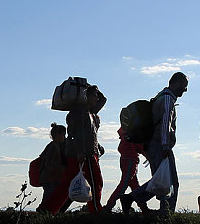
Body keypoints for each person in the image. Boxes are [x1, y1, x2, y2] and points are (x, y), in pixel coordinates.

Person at [121, 72, 189, 215]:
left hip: (154, 144)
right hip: (160, 145)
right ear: (177, 83)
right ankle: (166, 213)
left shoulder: (160, 97)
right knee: (169, 181)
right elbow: (165, 124)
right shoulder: (167, 100)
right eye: (184, 86)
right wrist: (165, 146)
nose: (185, 90)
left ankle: (132, 198)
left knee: (160, 180)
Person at [43, 85, 105, 213]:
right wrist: (81, 152)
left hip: (78, 154)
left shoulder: (89, 111)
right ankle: (96, 211)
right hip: (85, 155)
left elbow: (103, 99)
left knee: (65, 186)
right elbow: (76, 133)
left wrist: (92, 88)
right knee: (96, 183)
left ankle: (47, 210)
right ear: (85, 96)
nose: (97, 98)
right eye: (94, 95)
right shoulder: (81, 112)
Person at [103, 127, 148, 212]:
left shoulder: (127, 130)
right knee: (123, 185)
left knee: (134, 186)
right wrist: (148, 156)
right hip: (131, 160)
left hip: (126, 159)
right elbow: (139, 146)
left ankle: (144, 208)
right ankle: (108, 207)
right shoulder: (135, 131)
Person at [36, 123, 67, 212]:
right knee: (48, 198)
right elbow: (50, 164)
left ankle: (45, 212)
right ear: (57, 135)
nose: (64, 137)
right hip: (50, 178)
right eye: (63, 135)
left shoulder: (53, 146)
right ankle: (43, 212)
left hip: (51, 177)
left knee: (50, 197)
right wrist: (63, 169)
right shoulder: (53, 147)